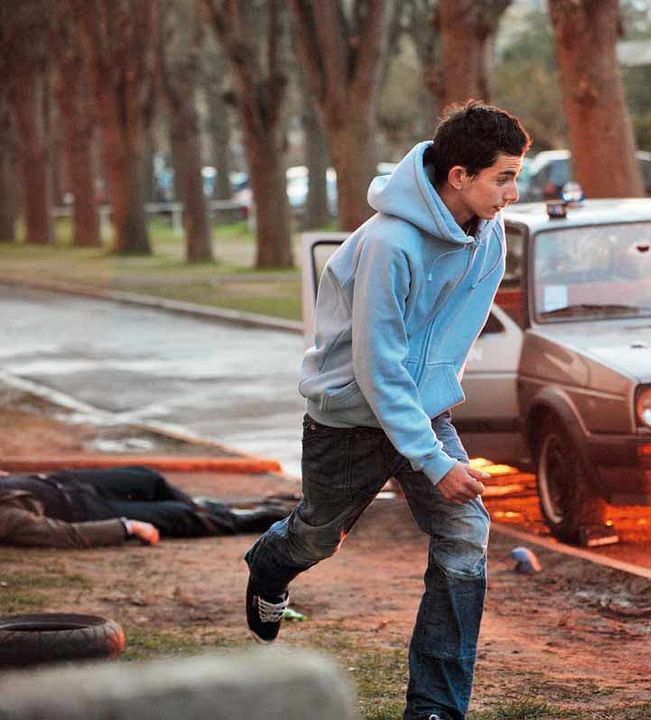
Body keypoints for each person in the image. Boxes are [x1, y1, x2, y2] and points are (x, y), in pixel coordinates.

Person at [243, 101, 530, 720]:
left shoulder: (490, 234)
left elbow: (448, 338)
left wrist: (431, 431)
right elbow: (377, 367)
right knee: (318, 538)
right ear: (459, 176)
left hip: (419, 414)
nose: (514, 191)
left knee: (464, 534)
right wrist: (432, 459)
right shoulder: (389, 245)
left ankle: (434, 708)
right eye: (503, 177)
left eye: (515, 176)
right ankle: (270, 563)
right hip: (347, 419)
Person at [0, 466, 293, 548]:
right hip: (82, 510)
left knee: (147, 478)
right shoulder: (5, 520)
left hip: (63, 482)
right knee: (176, 516)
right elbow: (62, 534)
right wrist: (126, 527)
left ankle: (208, 508)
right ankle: (263, 518)